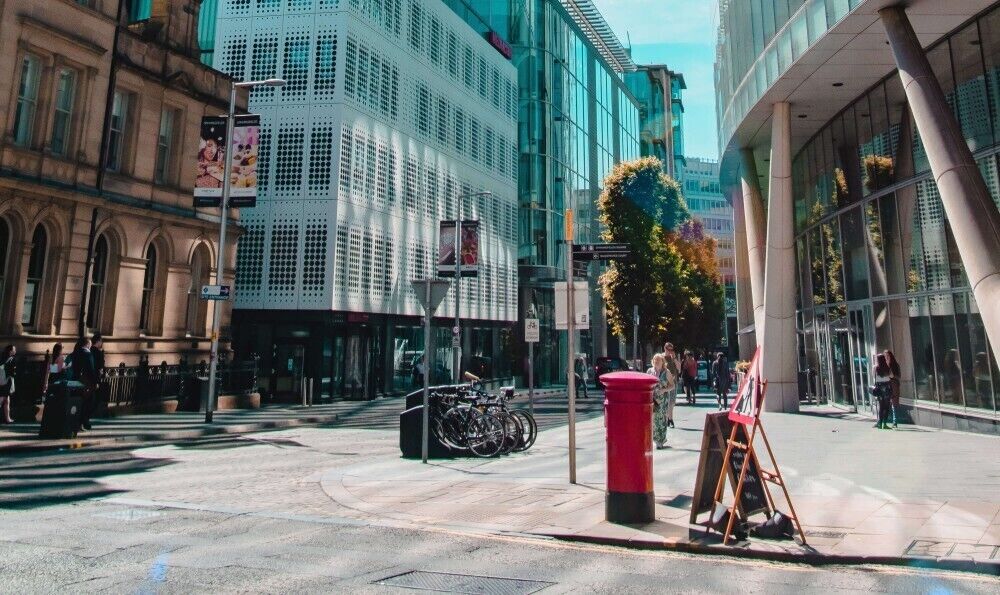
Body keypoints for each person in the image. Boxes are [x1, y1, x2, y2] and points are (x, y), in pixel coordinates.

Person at [647, 353, 675, 449]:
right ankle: (655, 439)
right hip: (652, 399)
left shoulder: (666, 372)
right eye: (655, 360)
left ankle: (661, 440)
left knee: (662, 419)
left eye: (658, 360)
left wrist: (663, 390)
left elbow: (672, 385)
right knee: (653, 419)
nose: (656, 362)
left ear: (662, 362)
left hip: (662, 400)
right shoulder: (650, 371)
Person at [70, 338, 97, 431]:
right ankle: (83, 422)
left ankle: (76, 423)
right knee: (89, 402)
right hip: (86, 383)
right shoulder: (88, 354)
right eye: (90, 344)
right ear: (87, 344)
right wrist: (95, 382)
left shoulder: (75, 353)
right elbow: (91, 370)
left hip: (75, 381)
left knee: (77, 402)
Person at [872, 353, 893, 429]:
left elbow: (873, 376)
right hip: (887, 387)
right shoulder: (887, 367)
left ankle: (880, 423)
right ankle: (885, 423)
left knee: (881, 406)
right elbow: (891, 376)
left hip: (879, 387)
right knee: (887, 406)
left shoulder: (875, 368)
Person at [663, 342, 679, 428]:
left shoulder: (674, 358)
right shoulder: (661, 357)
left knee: (672, 402)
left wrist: (675, 358)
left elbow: (679, 368)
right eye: (668, 349)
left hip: (674, 382)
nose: (670, 351)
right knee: (665, 402)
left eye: (671, 349)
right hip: (665, 383)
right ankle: (668, 419)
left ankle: (670, 419)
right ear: (665, 348)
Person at [885, 349, 901, 429]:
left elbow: (899, 376)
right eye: (885, 356)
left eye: (887, 356)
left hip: (894, 384)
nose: (886, 358)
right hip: (887, 385)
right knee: (886, 403)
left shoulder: (895, 365)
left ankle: (895, 421)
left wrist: (892, 376)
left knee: (894, 404)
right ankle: (885, 420)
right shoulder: (884, 365)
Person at [0, 345, 16, 424]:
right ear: (10, 351)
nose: (15, 351)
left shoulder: (2, 358)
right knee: (2, 399)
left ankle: (8, 418)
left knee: (7, 401)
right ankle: (7, 419)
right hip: (7, 381)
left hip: (2, 381)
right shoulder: (11, 360)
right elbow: (12, 372)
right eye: (14, 350)